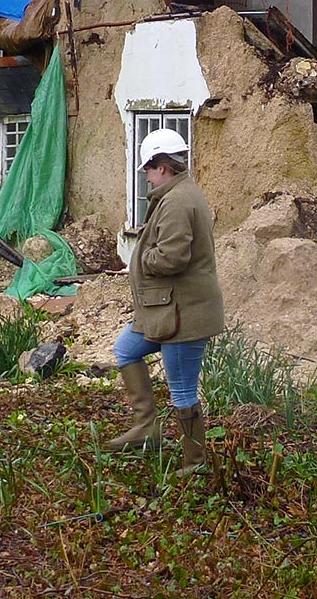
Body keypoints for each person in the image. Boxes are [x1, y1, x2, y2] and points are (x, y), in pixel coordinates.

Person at [104, 128, 225, 473]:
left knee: (183, 390)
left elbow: (172, 258)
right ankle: (147, 428)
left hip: (183, 314)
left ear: (163, 166)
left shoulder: (177, 201)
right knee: (126, 349)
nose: (145, 174)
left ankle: (196, 461)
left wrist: (141, 259)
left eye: (148, 167)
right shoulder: (176, 193)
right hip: (165, 309)